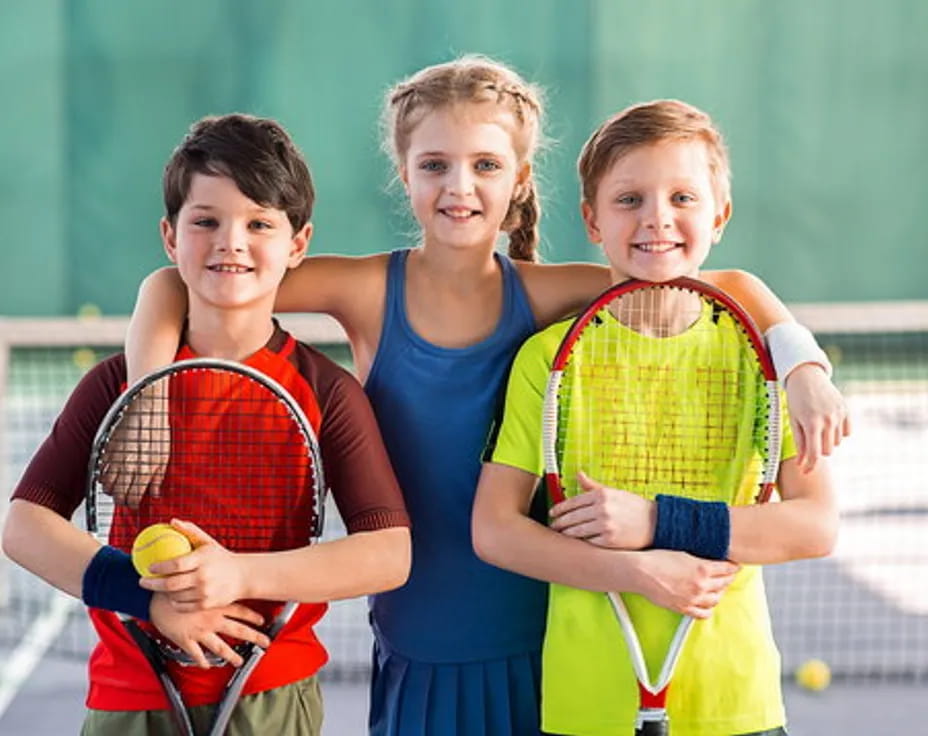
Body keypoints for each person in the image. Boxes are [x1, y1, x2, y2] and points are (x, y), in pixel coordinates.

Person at [121, 58, 847, 735]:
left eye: (486, 166)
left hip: (547, 648)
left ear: (519, 179)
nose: (459, 187)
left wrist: (803, 365)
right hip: (418, 645)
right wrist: (146, 397)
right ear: (404, 175)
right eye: (434, 165)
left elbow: (725, 289)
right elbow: (177, 282)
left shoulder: (551, 297)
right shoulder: (369, 290)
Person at [1, 113, 411, 736]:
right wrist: (149, 602)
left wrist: (241, 574)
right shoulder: (118, 386)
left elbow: (389, 553)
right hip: (130, 692)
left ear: (298, 243)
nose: (231, 242)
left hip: (271, 694)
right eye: (206, 221)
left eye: (259, 224)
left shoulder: (328, 393)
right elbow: (25, 526)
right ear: (170, 237)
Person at [473, 99, 839, 735]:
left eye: (683, 198)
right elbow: (496, 530)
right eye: (629, 200)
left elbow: (814, 525)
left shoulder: (764, 360)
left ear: (719, 215)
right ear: (592, 219)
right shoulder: (548, 361)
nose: (657, 220)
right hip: (589, 705)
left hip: (737, 704)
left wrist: (656, 522)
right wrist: (635, 569)